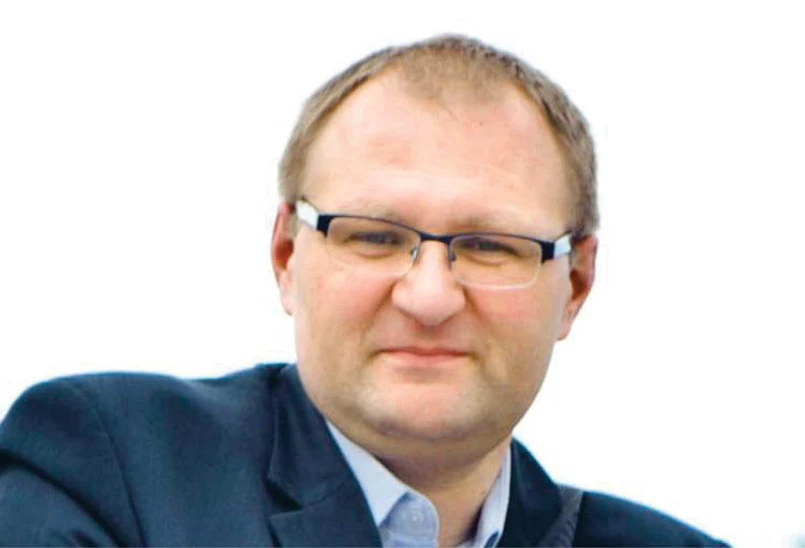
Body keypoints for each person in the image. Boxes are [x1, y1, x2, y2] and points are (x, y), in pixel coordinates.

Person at [0, 34, 726, 546]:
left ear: (576, 284)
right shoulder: (110, 475)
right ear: (287, 255)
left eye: (489, 246)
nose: (429, 298)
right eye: (374, 237)